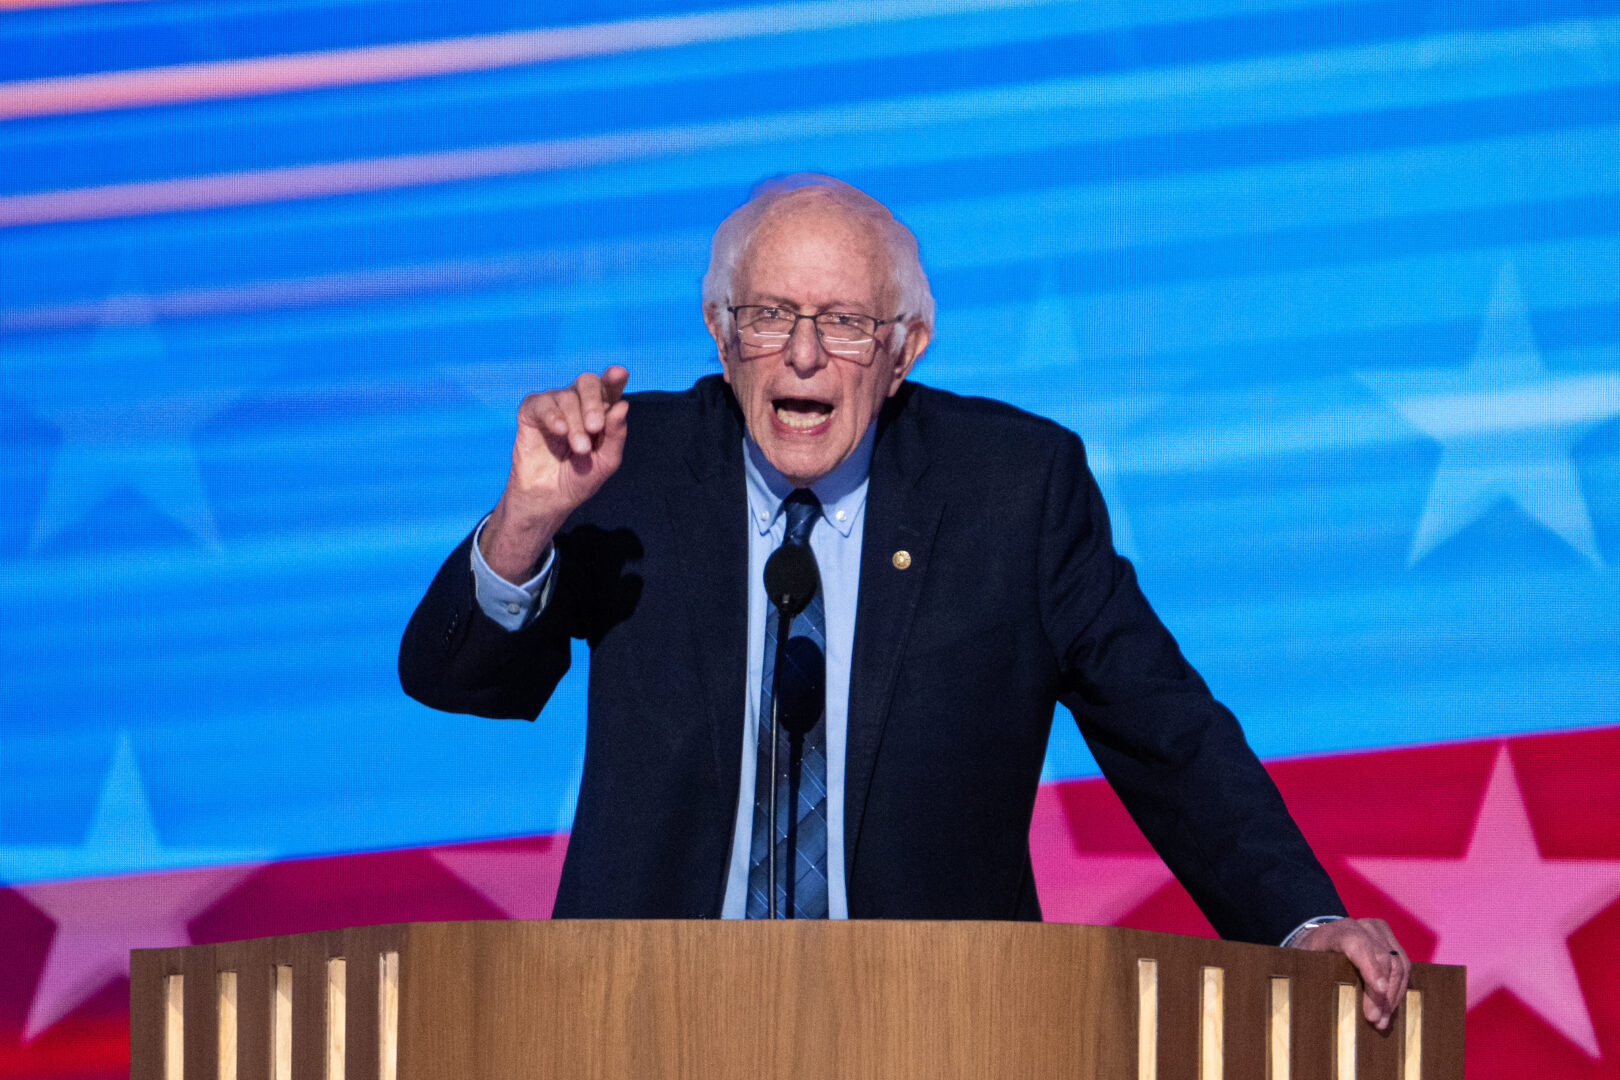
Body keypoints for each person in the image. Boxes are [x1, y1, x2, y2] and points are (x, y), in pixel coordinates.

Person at [400, 174, 1410, 1028]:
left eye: (842, 322)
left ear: (906, 345)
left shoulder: (1013, 490)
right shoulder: (631, 463)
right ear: (718, 331)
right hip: (646, 1025)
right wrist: (526, 521)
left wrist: (1299, 923)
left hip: (940, 1026)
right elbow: (453, 679)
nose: (801, 354)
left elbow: (1166, 733)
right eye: (768, 316)